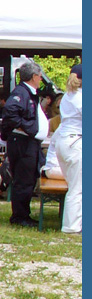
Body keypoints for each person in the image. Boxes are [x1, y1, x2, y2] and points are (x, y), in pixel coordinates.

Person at [0, 59, 49, 227]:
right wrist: (28, 128)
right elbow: (11, 112)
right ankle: (20, 217)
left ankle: (23, 213)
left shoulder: (29, 93)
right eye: (40, 77)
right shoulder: (21, 93)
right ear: (34, 76)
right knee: (23, 179)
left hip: (29, 143)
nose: (41, 80)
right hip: (22, 143)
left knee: (28, 178)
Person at [55, 61, 82, 234]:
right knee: (78, 188)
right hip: (75, 143)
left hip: (64, 142)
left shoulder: (68, 95)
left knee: (75, 185)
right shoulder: (80, 96)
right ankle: (72, 227)